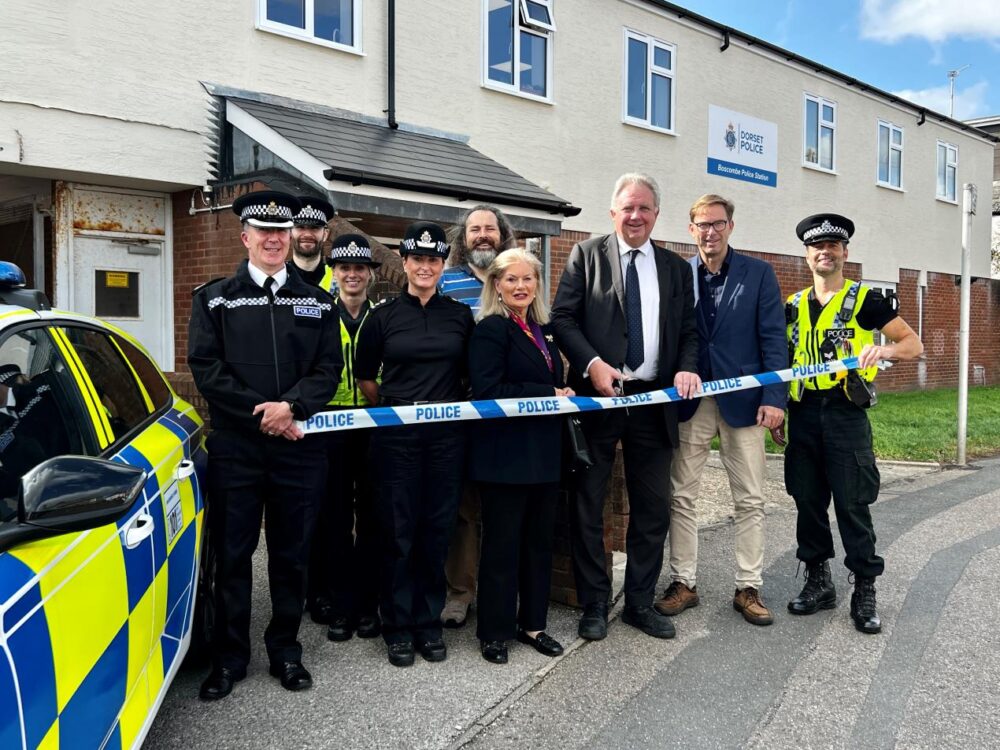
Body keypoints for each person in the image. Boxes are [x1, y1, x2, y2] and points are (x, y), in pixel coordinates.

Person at [188, 190, 342, 699]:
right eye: (264, 231)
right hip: (238, 448)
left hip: (298, 447)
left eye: (282, 232)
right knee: (232, 555)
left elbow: (327, 370)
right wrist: (266, 415)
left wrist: (292, 408)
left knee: (291, 554)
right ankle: (229, 658)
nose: (274, 240)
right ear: (245, 237)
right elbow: (207, 371)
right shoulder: (214, 299)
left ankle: (286, 651)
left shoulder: (318, 302)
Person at [551, 173, 700, 641]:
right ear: (613, 212)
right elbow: (562, 318)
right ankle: (595, 602)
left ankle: (638, 601)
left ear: (657, 214)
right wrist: (592, 364)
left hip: (654, 401)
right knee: (588, 504)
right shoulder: (585, 255)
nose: (636, 216)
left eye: (645, 208)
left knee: (653, 507)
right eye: (627, 208)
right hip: (599, 399)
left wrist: (685, 368)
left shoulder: (676, 269)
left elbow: (691, 332)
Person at [773, 213, 922, 634]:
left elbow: (913, 343)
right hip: (802, 413)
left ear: (845, 253)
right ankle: (819, 582)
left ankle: (864, 588)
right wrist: (779, 409)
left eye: (833, 246)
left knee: (853, 503)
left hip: (844, 412)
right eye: (817, 246)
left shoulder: (864, 300)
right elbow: (785, 361)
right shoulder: (794, 305)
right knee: (807, 500)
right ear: (807, 255)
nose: (825, 252)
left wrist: (884, 351)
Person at [657, 195, 786, 626]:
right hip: (692, 399)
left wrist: (774, 397)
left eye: (717, 223)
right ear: (690, 229)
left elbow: (773, 339)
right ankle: (683, 581)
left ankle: (748, 586)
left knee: (749, 497)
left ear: (731, 226)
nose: (709, 232)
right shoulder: (678, 273)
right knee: (682, 494)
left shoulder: (759, 274)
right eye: (701, 225)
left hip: (746, 400)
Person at [355, 221, 475, 667]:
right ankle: (398, 626)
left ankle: (428, 622)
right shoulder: (382, 317)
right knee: (397, 531)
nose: (425, 267)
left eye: (433, 260)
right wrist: (397, 407)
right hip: (397, 437)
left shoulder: (460, 317)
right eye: (417, 259)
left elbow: (468, 376)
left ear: (444, 265)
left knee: (436, 529)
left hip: (446, 438)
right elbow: (367, 378)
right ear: (404, 263)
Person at [468, 248, 572, 664]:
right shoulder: (491, 330)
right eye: (511, 279)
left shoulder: (542, 331)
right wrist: (546, 393)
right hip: (505, 458)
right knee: (501, 547)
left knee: (538, 545)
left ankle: (533, 624)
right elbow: (488, 390)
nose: (521, 286)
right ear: (496, 284)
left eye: (528, 279)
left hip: (544, 455)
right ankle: (494, 632)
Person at [439, 204, 516, 628]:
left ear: (502, 234)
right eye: (474, 230)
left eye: (490, 228)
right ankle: (460, 592)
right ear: (462, 239)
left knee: (505, 505)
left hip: (510, 414)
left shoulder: (517, 278)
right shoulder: (446, 281)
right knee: (464, 508)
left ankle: (503, 589)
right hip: (462, 411)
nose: (482, 236)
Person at [305, 234, 383, 641]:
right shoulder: (320, 316)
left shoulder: (383, 317)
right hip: (330, 426)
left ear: (370, 274)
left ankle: (368, 606)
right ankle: (340, 605)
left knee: (371, 519)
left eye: (359, 268)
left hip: (372, 424)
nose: (352, 275)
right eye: (344, 268)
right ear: (333, 274)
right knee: (334, 519)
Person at [291, 197, 336, 292]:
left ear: (325, 234)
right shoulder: (276, 277)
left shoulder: (339, 279)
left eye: (314, 228)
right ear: (290, 233)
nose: (307, 234)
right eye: (300, 227)